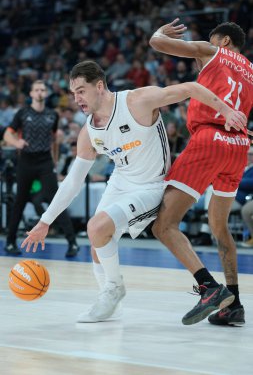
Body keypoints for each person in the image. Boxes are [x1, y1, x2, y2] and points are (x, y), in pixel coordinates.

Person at [21, 60, 246, 324]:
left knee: (96, 227)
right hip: (120, 182)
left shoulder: (137, 101)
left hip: (152, 185)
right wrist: (45, 222)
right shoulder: (88, 132)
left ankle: (115, 289)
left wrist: (225, 110)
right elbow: (72, 181)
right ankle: (111, 301)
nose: (76, 98)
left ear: (100, 86)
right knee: (98, 241)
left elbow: (191, 87)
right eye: (73, 93)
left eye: (81, 90)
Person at [150, 20, 253, 326]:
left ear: (222, 42)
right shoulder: (251, 69)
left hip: (209, 139)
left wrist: (161, 33)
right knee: (219, 226)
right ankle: (234, 304)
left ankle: (209, 288)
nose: (199, 64)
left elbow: (157, 44)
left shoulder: (212, 52)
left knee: (163, 225)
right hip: (238, 147)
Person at [3, 80, 80, 258]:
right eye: (36, 90)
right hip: (26, 161)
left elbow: (53, 140)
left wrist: (53, 161)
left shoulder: (53, 115)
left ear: (45, 93)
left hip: (45, 162)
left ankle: (72, 242)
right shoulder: (22, 113)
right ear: (31, 94)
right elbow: (7, 134)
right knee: (19, 201)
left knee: (58, 200)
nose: (39, 92)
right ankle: (10, 241)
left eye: (42, 90)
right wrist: (16, 142)